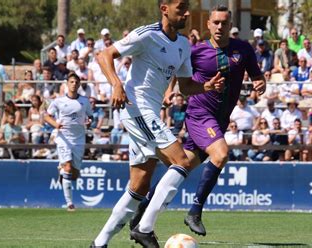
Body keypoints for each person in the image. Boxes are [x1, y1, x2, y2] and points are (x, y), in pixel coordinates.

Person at [90, 2, 235, 247]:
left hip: (149, 113)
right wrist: (116, 83)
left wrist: (206, 86)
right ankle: (144, 228)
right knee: (182, 161)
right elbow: (104, 55)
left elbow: (186, 86)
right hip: (137, 109)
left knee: (139, 185)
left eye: (187, 7)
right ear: (164, 8)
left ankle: (99, 243)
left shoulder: (182, 45)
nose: (187, 13)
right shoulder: (146, 34)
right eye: (181, 7)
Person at [127, 3, 265, 241]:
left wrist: (261, 83)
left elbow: (256, 75)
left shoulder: (243, 49)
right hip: (200, 115)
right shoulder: (196, 51)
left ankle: (143, 209)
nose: (220, 26)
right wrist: (169, 92)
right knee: (221, 154)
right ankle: (195, 211)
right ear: (208, 25)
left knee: (182, 169)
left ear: (231, 25)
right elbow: (177, 71)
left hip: (219, 120)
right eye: (216, 22)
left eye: (224, 22)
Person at [43, 73, 93, 212]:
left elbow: (90, 116)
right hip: (63, 138)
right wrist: (55, 124)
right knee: (68, 168)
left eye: (76, 82)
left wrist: (89, 121)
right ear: (67, 83)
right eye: (71, 82)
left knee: (75, 175)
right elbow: (46, 116)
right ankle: (70, 203)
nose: (74, 84)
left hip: (79, 139)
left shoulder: (84, 101)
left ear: (79, 84)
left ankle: (62, 169)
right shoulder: (58, 101)